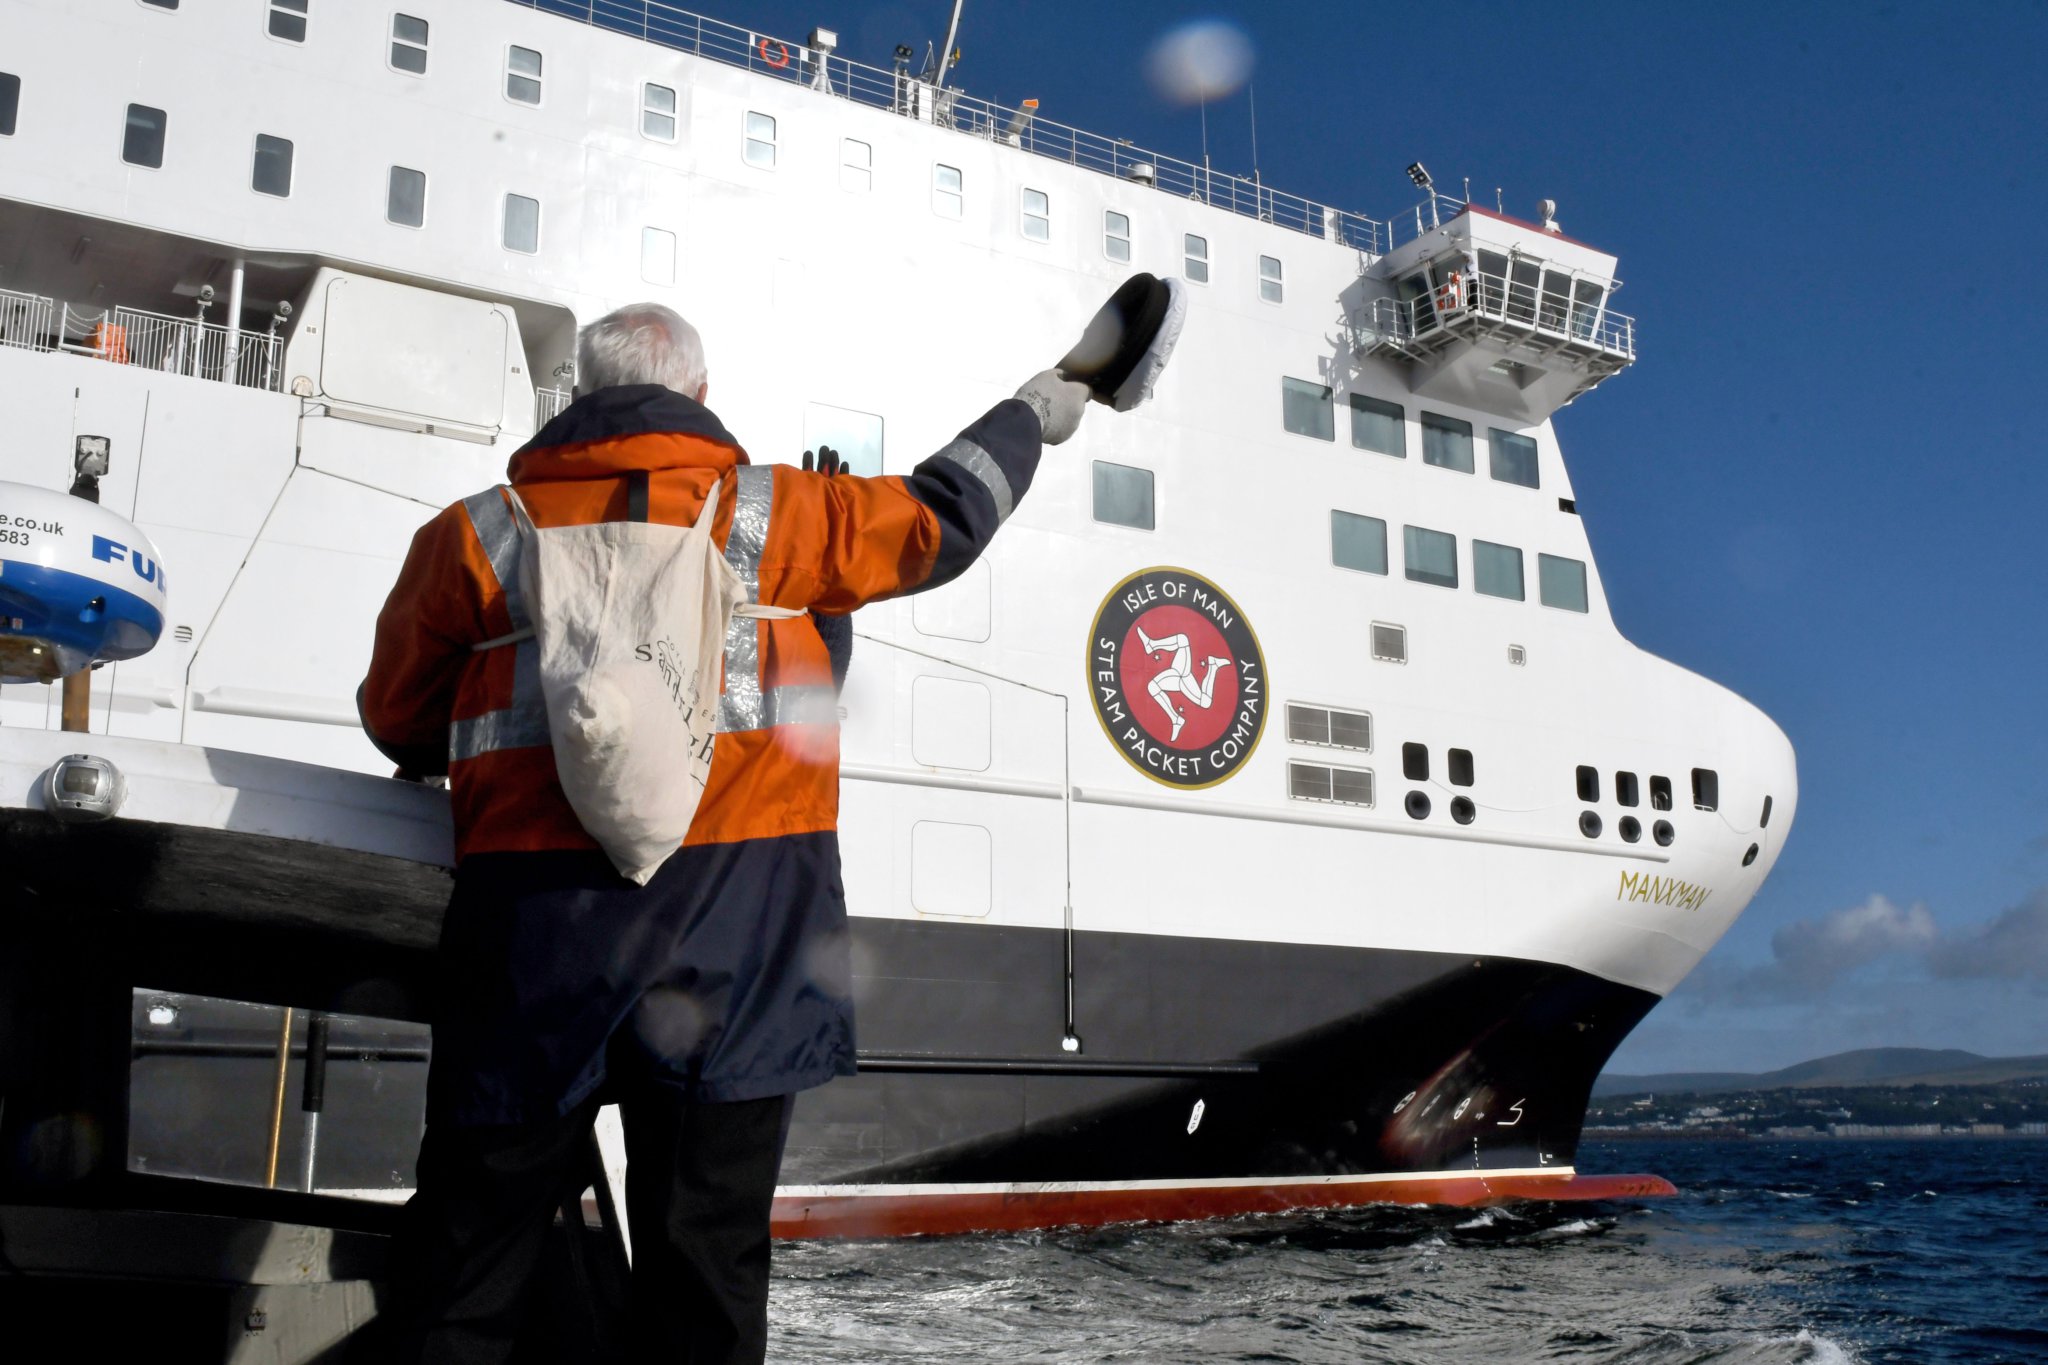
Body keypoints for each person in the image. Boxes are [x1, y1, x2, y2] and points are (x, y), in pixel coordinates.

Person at [356, 302, 1089, 1364]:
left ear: (577, 399)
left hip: (531, 946)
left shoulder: (475, 534)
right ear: (697, 398)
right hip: (733, 950)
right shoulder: (781, 517)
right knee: (704, 1272)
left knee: (468, 1265)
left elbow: (399, 716)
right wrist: (1034, 409)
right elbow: (943, 518)